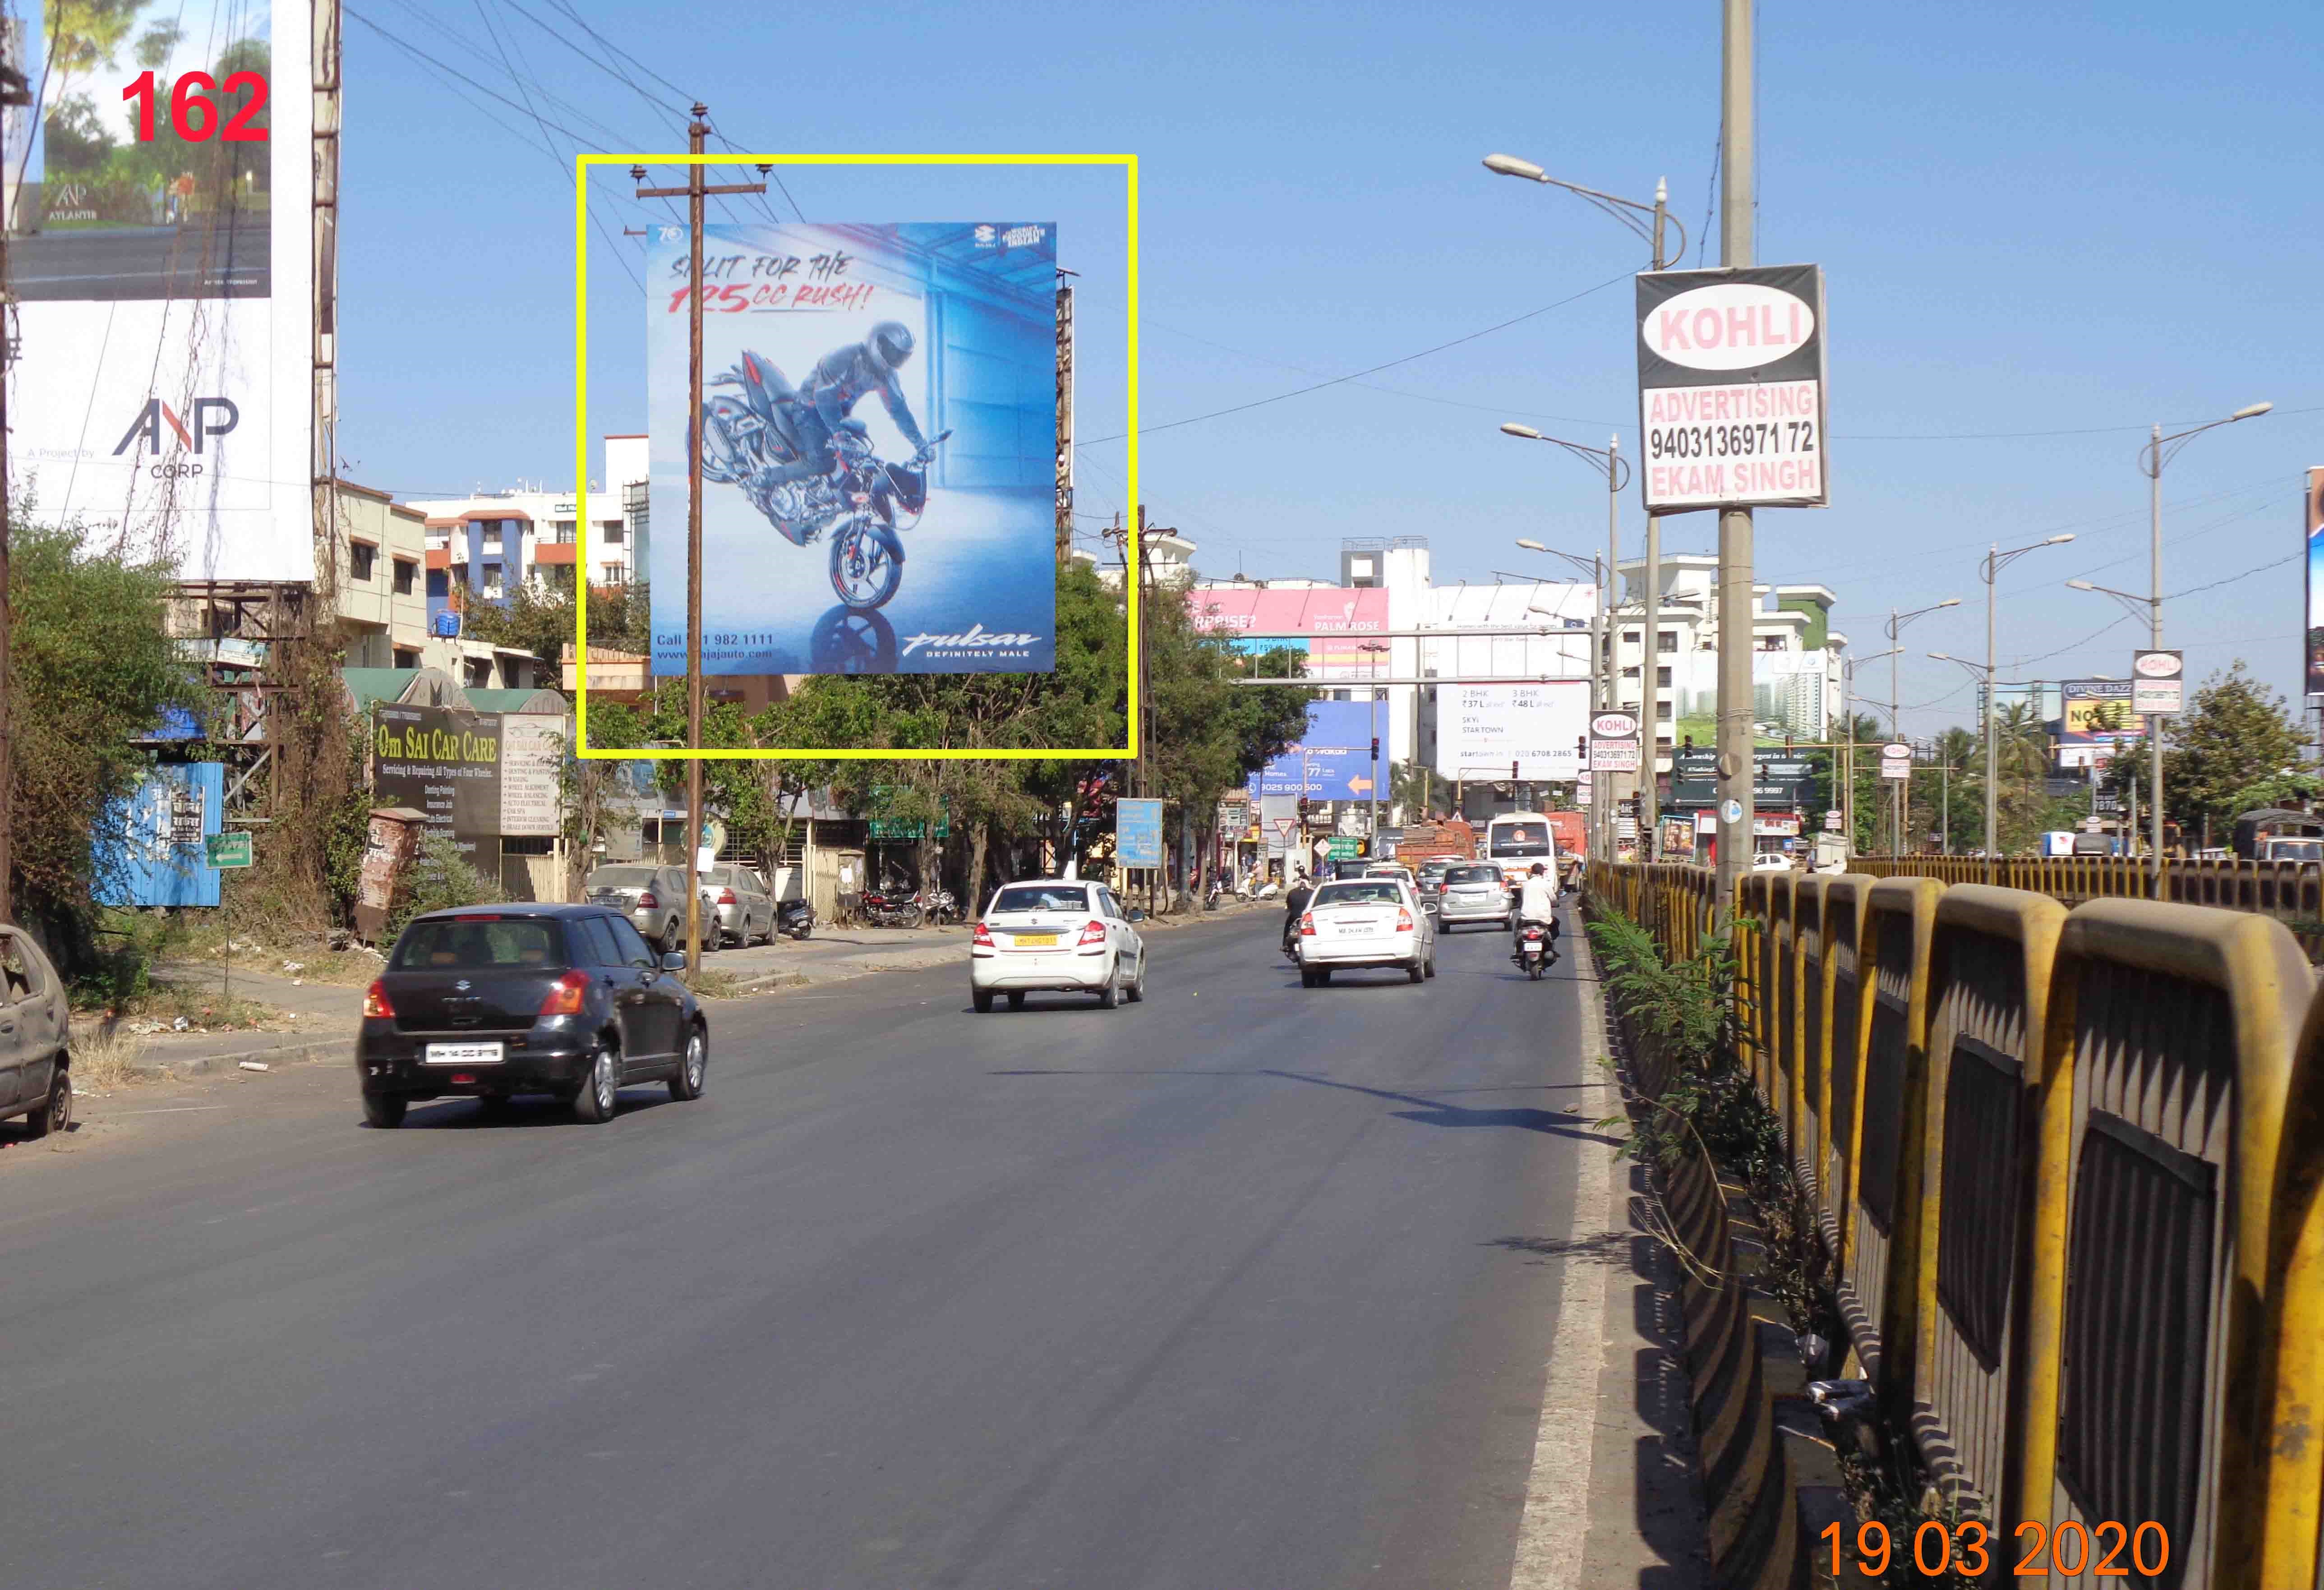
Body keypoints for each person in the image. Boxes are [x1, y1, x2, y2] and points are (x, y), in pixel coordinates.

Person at [761, 321, 929, 488]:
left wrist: (920, 443)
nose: (896, 360)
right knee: (820, 462)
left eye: (901, 357)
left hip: (839, 417)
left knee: (863, 462)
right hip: (809, 410)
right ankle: (766, 479)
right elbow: (824, 397)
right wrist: (838, 433)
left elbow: (899, 410)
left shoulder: (887, 375)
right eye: (894, 353)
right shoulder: (844, 358)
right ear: (878, 343)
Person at [1511, 861, 1560, 964]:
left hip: (1527, 918)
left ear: (1532, 872)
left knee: (1517, 930)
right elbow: (1554, 900)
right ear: (1542, 872)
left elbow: (1523, 899)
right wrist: (1555, 904)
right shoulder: (1546, 884)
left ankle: (1517, 950)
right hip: (1544, 919)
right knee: (1556, 923)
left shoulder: (1525, 885)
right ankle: (1551, 945)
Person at [1282, 870, 1315, 954]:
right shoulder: (1313, 893)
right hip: (1307, 917)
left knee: (1287, 927)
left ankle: (1285, 945)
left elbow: (1289, 906)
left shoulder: (1292, 892)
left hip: (1294, 917)